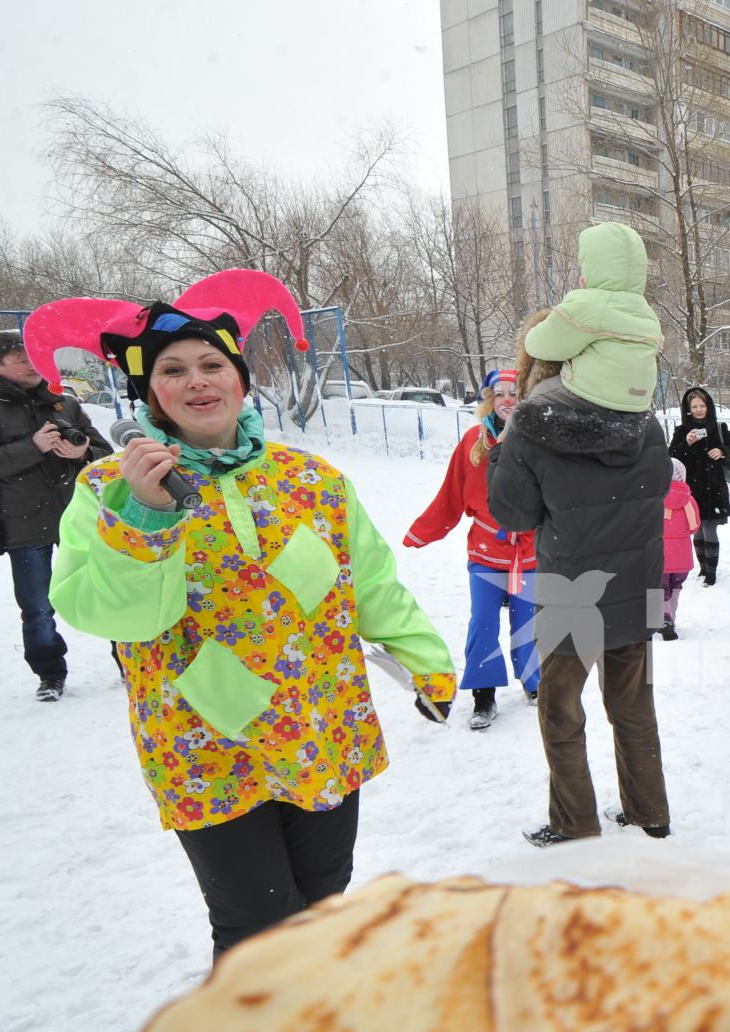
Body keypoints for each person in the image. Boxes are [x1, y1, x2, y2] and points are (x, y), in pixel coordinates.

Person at [33, 270, 456, 959]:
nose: (197, 380)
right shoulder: (109, 488)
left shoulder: (311, 480)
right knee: (256, 924)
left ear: (240, 379)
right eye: (173, 369)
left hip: (320, 723)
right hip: (205, 743)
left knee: (322, 900)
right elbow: (114, 615)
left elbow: (370, 583)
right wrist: (146, 516)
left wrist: (427, 660)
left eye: (212, 364)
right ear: (149, 391)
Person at [489, 264, 672, 846]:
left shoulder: (531, 428)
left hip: (573, 591)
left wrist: (504, 459)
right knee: (633, 704)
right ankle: (650, 811)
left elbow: (514, 515)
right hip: (637, 583)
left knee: (561, 711)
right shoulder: (646, 426)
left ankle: (575, 820)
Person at [0, 329, 112, 701]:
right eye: (19, 358)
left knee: (107, 590)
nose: (30, 363)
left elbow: (104, 450)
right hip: (24, 521)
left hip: (81, 515)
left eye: (34, 356)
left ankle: (126, 659)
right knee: (37, 606)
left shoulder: (63, 401)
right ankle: (50, 673)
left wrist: (85, 452)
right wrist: (33, 446)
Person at [404, 367, 539, 730]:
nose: (507, 400)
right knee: (482, 622)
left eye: (515, 393)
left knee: (528, 622)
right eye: (500, 394)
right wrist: (423, 532)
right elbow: (451, 495)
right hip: (485, 551)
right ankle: (484, 695)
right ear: (489, 400)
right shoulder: (472, 442)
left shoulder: (539, 440)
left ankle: (534, 683)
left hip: (528, 552)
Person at [515, 222, 665, 417]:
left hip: (594, 395)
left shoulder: (590, 302)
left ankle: (505, 442)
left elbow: (542, 344)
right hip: (639, 401)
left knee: (537, 397)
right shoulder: (646, 310)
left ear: (593, 268)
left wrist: (533, 332)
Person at [668, 386, 730, 586]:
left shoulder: (720, 428)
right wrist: (687, 442)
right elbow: (672, 457)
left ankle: (711, 573)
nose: (699, 409)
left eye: (702, 405)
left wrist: (722, 451)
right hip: (691, 490)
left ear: (708, 406)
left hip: (714, 489)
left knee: (710, 529)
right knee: (697, 529)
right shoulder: (682, 430)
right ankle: (703, 567)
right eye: (695, 406)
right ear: (688, 408)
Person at [660, 457, 700, 641]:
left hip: (660, 553)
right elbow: (694, 526)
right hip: (682, 555)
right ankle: (671, 618)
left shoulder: (656, 499)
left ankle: (663, 619)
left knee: (659, 587)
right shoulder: (689, 500)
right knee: (676, 587)